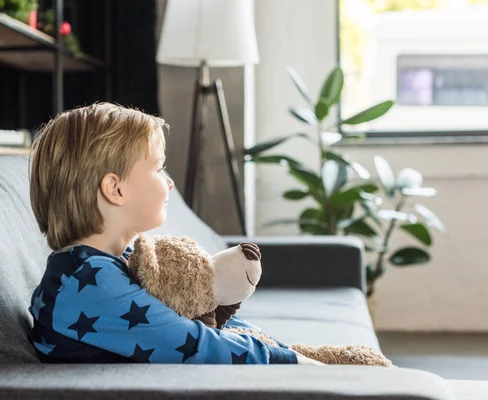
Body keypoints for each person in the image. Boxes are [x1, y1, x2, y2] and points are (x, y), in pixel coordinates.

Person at [28, 102, 323, 365]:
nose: (169, 183)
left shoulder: (112, 264)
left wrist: (285, 350)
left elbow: (201, 312)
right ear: (115, 189)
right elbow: (194, 343)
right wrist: (290, 362)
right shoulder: (86, 282)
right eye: (159, 169)